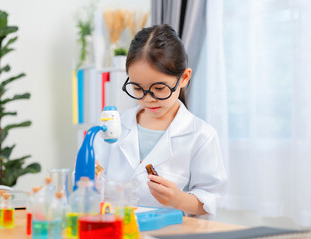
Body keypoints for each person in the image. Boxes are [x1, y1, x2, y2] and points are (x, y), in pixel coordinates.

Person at [95, 24, 227, 218]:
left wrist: (179, 200)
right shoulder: (114, 127)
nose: (148, 98)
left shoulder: (201, 136)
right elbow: (89, 180)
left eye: (159, 88)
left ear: (184, 78)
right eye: (138, 88)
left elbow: (209, 199)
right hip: (117, 229)